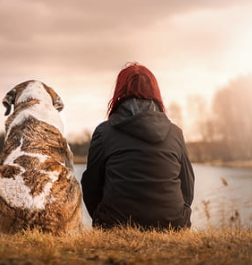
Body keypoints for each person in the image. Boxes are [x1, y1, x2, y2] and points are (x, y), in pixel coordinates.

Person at [81, 63, 195, 230]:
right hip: (172, 224)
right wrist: (179, 216)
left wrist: (102, 219)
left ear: (119, 92)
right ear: (155, 92)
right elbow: (188, 185)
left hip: (115, 224)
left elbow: (91, 185)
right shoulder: (175, 132)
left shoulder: (104, 132)